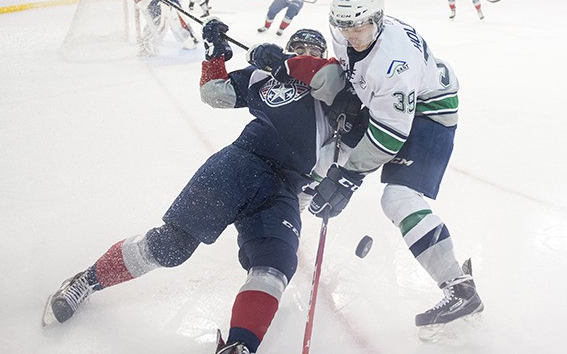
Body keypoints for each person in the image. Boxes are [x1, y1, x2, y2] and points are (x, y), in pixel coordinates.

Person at [41, 21, 364, 354]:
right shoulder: (262, 77)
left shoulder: (334, 87)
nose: (306, 54)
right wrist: (214, 55)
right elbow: (215, 93)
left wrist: (332, 186)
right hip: (239, 164)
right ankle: (85, 280)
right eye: (299, 48)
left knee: (277, 262)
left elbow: (344, 136)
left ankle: (239, 345)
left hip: (283, 191)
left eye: (314, 50)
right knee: (171, 245)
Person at [249, 0, 484, 337]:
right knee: (336, 138)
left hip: (429, 112)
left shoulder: (395, 64)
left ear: (377, 18)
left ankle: (460, 288)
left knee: (397, 197)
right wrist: (285, 63)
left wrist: (346, 178)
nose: (351, 34)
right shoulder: (352, 34)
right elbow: (335, 74)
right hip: (392, 104)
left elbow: (388, 136)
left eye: (360, 26)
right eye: (344, 26)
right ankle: (295, 204)